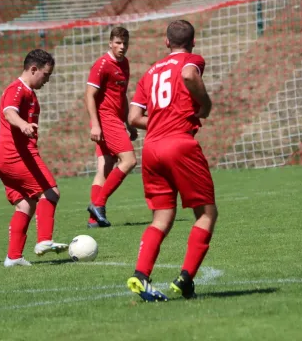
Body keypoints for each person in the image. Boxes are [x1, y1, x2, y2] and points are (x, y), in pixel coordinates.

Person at [126, 20, 218, 301]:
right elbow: (190, 75)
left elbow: (132, 118)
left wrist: (159, 121)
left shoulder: (150, 73)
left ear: (166, 42)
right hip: (179, 143)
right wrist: (206, 106)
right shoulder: (192, 60)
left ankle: (140, 276)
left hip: (152, 147)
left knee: (162, 217)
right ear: (193, 41)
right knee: (206, 213)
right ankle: (185, 278)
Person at [0, 49, 68, 267]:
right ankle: (44, 240)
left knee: (25, 205)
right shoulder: (17, 90)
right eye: (45, 74)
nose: (47, 80)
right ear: (33, 69)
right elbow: (9, 112)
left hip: (4, 158)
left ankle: (13, 257)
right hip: (16, 156)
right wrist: (23, 124)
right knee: (51, 192)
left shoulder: (29, 93)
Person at [85, 27, 138, 228]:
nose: (122, 47)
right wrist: (96, 125)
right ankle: (98, 205)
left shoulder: (125, 64)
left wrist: (128, 123)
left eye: (125, 43)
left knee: (105, 167)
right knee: (129, 160)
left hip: (116, 119)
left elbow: (121, 96)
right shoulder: (102, 65)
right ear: (110, 43)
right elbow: (89, 95)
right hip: (105, 120)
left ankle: (94, 220)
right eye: (117, 42)